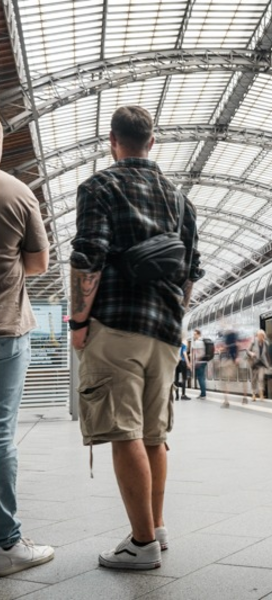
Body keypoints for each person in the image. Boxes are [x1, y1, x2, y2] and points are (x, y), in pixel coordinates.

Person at [70, 106, 202, 570]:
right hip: (166, 331)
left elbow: (88, 255)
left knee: (124, 431)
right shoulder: (180, 200)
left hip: (116, 325)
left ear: (113, 140)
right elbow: (191, 271)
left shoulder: (99, 186)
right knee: (154, 434)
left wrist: (78, 322)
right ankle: (157, 528)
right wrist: (175, 315)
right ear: (152, 141)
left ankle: (141, 544)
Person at [0, 126, 55, 576]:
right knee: (0, 433)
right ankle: (8, 544)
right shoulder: (16, 192)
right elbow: (39, 263)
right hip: (5, 329)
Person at [220, 328, 246, 408]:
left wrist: (222, 350)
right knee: (243, 379)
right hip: (236, 361)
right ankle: (244, 397)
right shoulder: (236, 342)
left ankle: (226, 401)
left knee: (224, 381)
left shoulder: (228, 342)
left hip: (229, 362)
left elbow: (226, 349)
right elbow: (237, 348)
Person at [246, 330, 270, 402]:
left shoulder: (265, 343)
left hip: (261, 364)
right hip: (254, 363)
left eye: (262, 336)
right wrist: (251, 354)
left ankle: (261, 394)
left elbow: (266, 353)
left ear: (263, 336)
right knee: (254, 380)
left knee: (261, 378)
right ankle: (253, 394)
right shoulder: (253, 343)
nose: (260, 337)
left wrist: (268, 363)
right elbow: (247, 351)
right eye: (259, 336)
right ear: (257, 336)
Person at [190, 328, 208, 399]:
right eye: (194, 334)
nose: (194, 336)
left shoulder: (197, 342)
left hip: (199, 362)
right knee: (202, 377)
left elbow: (195, 353)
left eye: (195, 334)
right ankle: (203, 393)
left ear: (198, 334)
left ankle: (203, 394)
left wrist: (195, 361)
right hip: (204, 362)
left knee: (200, 378)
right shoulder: (203, 341)